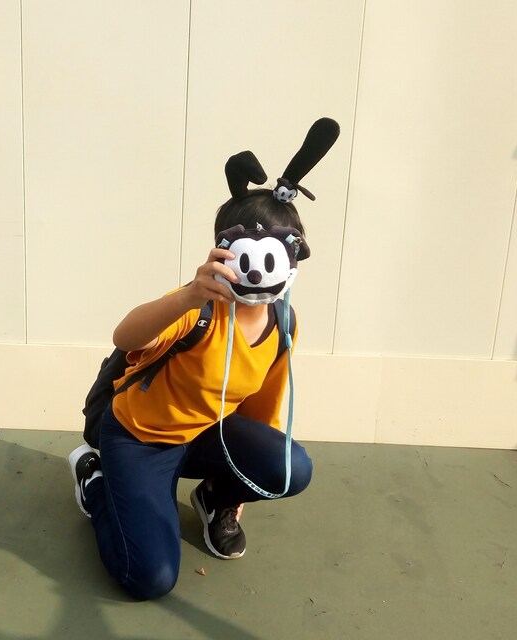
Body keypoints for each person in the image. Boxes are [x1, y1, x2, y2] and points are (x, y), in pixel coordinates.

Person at [68, 119, 339, 600]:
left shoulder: (283, 321)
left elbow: (263, 407)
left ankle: (215, 499)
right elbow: (125, 336)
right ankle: (96, 480)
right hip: (142, 438)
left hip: (209, 435)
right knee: (149, 578)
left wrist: (243, 478)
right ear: (225, 249)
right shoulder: (198, 306)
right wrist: (190, 294)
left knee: (289, 467)